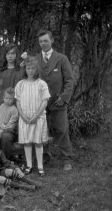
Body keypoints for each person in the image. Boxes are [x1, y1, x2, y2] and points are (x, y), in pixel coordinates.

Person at [36, 30, 74, 171]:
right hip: (41, 103)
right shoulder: (36, 59)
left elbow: (69, 80)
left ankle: (67, 159)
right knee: (42, 130)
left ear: (52, 40)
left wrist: (64, 97)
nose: (43, 44)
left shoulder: (61, 58)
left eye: (46, 40)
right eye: (41, 41)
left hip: (58, 101)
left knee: (62, 130)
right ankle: (45, 155)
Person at [15, 56, 51, 177]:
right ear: (25, 69)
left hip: (38, 117)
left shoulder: (42, 84)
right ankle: (29, 166)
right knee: (27, 142)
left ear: (37, 69)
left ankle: (40, 167)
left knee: (38, 142)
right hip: (25, 117)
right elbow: (18, 102)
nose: (30, 70)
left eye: (33, 68)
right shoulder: (20, 84)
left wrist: (36, 115)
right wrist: (22, 115)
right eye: (28, 68)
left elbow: (45, 101)